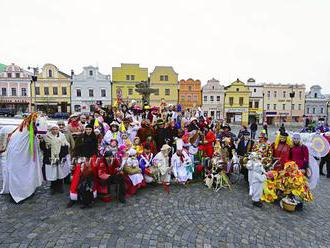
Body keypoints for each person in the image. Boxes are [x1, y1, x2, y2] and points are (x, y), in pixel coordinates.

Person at [39, 124, 70, 194]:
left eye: (56, 129)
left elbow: (65, 147)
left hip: (60, 157)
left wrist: (62, 156)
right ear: (50, 130)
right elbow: (43, 148)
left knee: (60, 172)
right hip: (50, 158)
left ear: (58, 129)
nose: (55, 130)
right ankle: (53, 187)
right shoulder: (46, 137)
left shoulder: (62, 136)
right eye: (53, 129)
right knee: (52, 173)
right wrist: (41, 142)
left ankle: (60, 187)